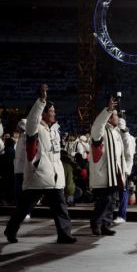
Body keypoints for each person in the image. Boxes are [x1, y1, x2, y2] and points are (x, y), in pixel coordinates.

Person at [4, 84, 76, 244]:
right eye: (51, 112)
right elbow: (32, 119)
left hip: (54, 178)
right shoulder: (34, 127)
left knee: (61, 208)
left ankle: (64, 234)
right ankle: (11, 230)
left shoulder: (54, 130)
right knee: (23, 208)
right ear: (43, 114)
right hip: (38, 176)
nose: (54, 114)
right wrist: (42, 101)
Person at [89, 97, 127, 236]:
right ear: (109, 118)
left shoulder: (115, 132)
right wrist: (108, 110)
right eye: (116, 115)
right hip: (103, 173)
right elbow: (97, 125)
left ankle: (105, 224)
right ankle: (96, 223)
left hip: (114, 173)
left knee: (111, 201)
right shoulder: (101, 131)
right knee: (103, 200)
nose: (118, 117)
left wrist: (123, 171)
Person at [114, 118, 136, 224]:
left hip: (123, 169)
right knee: (117, 191)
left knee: (123, 191)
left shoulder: (128, 138)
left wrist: (127, 170)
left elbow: (129, 156)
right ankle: (118, 215)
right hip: (115, 167)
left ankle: (122, 215)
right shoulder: (116, 136)